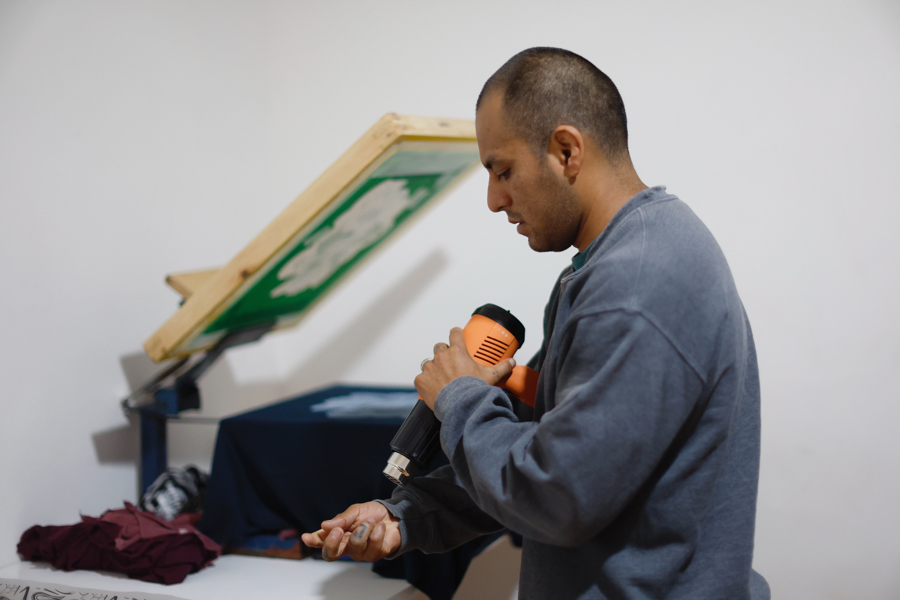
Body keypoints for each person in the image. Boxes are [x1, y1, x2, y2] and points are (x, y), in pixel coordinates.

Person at [302, 47, 769, 599]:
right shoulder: (610, 265)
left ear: (566, 150)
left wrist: (459, 399)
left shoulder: (637, 285)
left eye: (504, 170)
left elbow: (557, 497)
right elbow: (541, 456)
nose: (495, 199)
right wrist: (406, 515)